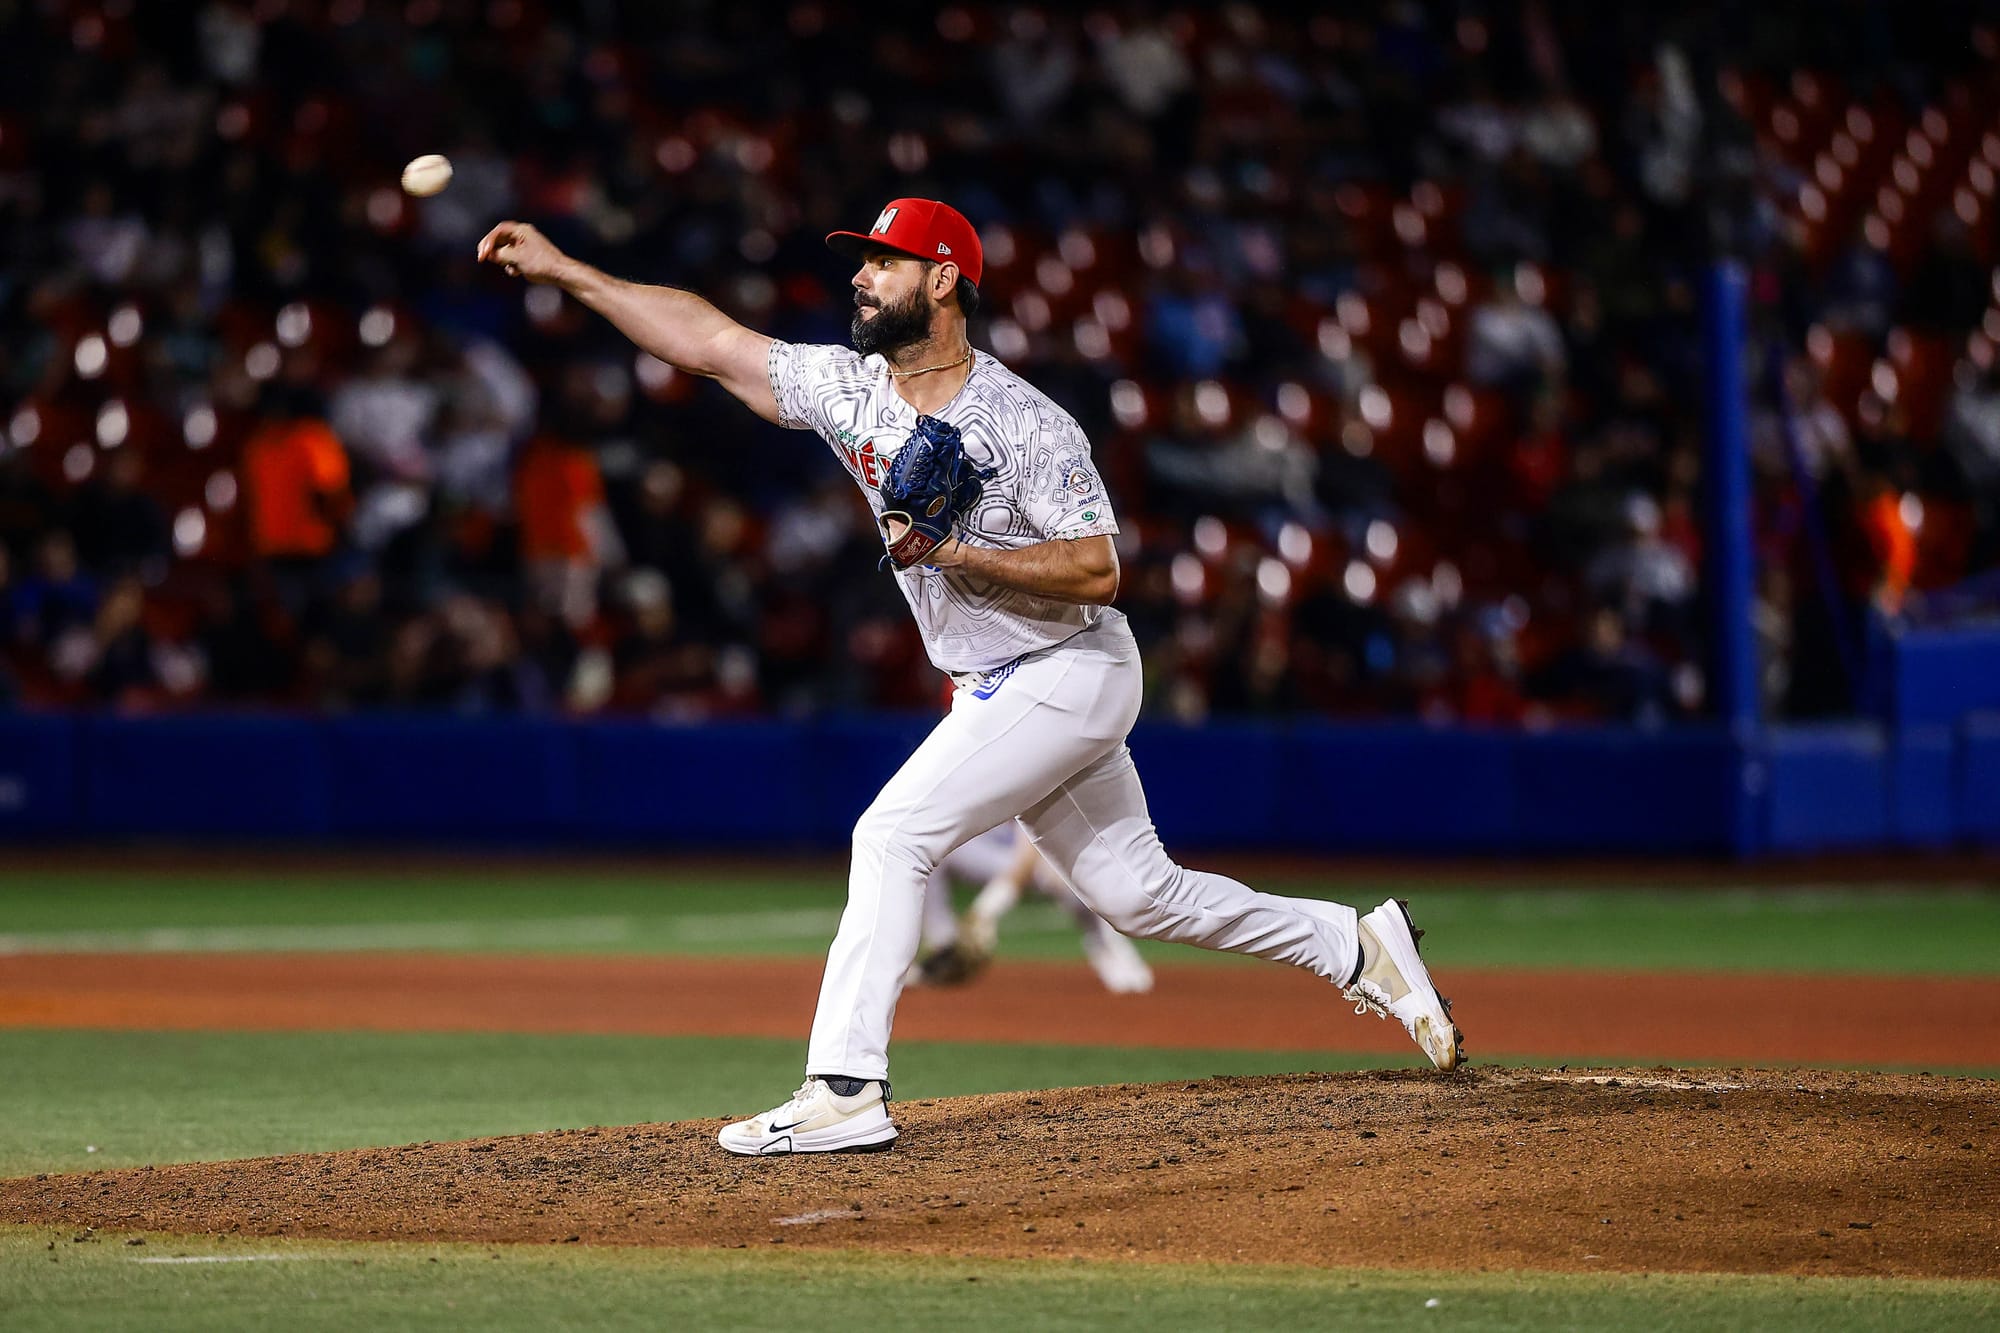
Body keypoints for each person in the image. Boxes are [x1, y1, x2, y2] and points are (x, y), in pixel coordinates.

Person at [477, 198, 1464, 1158]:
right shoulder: (848, 388)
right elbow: (710, 341)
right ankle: (1351, 942)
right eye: (860, 261)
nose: (860, 277)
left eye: (882, 261)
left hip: (1065, 666)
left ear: (941, 279)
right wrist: (569, 272)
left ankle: (843, 1089)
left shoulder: (1023, 421)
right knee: (1139, 893)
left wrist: (954, 554)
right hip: (1005, 680)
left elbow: (1097, 568)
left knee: (892, 833)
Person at [905, 820, 1155, 995]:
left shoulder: (1032, 772)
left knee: (1070, 878)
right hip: (989, 855)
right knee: (930, 852)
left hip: (1036, 860)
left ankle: (1104, 943)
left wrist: (984, 912)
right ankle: (943, 943)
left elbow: (1024, 862)